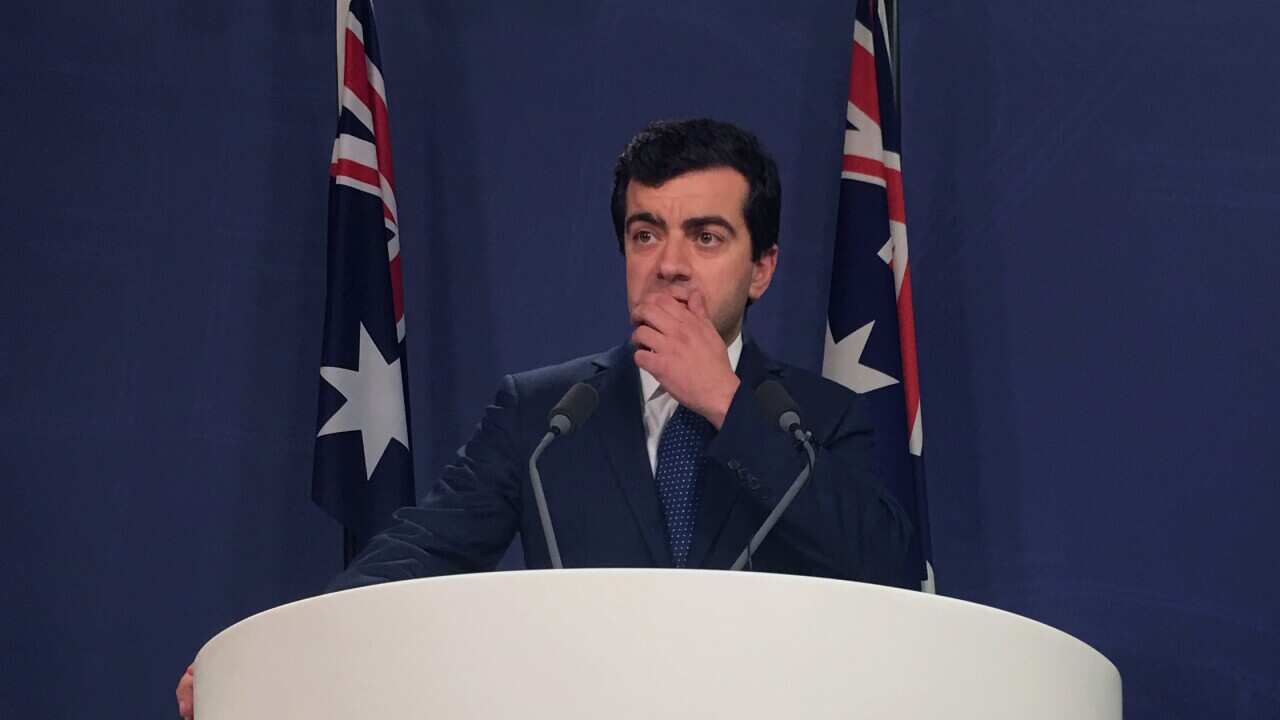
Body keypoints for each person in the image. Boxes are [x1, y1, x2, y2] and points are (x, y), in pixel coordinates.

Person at [176, 118, 913, 719]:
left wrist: (723, 399)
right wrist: (275, 650)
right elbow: (416, 555)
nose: (670, 263)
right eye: (646, 233)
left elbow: (884, 566)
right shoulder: (548, 414)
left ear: (762, 268)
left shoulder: (817, 416)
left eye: (707, 237)